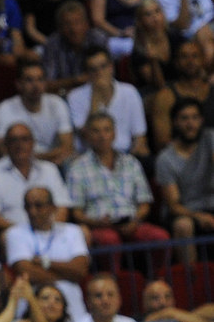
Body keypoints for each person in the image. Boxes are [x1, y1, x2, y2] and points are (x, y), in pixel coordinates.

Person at [66, 112, 169, 272]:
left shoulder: (131, 163)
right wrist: (97, 223)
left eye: (106, 130)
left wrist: (135, 221)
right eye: (96, 131)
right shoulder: (77, 167)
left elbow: (144, 204)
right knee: (110, 240)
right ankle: (113, 282)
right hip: (99, 225)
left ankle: (157, 279)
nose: (102, 136)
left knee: (161, 238)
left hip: (131, 222)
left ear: (114, 134)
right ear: (87, 135)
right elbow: (76, 213)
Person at [4, 185, 90, 322]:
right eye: (28, 206)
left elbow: (80, 270)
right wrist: (68, 274)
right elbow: (27, 273)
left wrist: (46, 263)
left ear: (53, 207)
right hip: (33, 309)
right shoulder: (15, 233)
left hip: (72, 306)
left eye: (38, 206)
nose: (32, 211)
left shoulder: (72, 231)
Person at [0, 123, 71, 239]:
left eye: (25, 139)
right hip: (15, 234)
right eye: (14, 140)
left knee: (82, 232)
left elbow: (62, 208)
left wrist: (48, 231)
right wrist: (24, 233)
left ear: (33, 143)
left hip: (51, 232)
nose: (19, 145)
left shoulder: (49, 169)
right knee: (5, 237)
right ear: (5, 145)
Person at [154, 96, 214, 258]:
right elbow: (174, 205)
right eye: (184, 118)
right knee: (183, 225)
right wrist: (199, 216)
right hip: (186, 212)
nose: (190, 124)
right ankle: (191, 273)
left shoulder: (210, 138)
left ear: (201, 120)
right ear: (175, 122)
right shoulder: (165, 159)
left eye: (195, 118)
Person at [66, 46, 150, 158]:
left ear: (111, 67)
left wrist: (128, 162)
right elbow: (86, 135)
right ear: (87, 73)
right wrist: (96, 95)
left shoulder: (130, 91)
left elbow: (139, 136)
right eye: (93, 69)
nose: (99, 73)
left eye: (103, 66)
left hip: (125, 154)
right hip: (89, 156)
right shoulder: (75, 96)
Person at [0, 57, 75, 169]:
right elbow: (4, 151)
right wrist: (42, 158)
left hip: (54, 164)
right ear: (19, 84)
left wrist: (35, 159)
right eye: (29, 80)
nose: (36, 85)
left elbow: (67, 147)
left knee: (69, 162)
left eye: (40, 79)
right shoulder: (4, 109)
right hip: (18, 165)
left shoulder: (57, 104)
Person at [41, 0, 105, 96]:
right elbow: (47, 84)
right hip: (62, 97)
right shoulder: (53, 44)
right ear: (60, 28)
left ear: (87, 24)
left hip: (96, 93)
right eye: (67, 24)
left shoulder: (97, 39)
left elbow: (105, 76)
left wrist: (65, 85)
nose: (73, 29)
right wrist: (76, 80)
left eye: (77, 22)